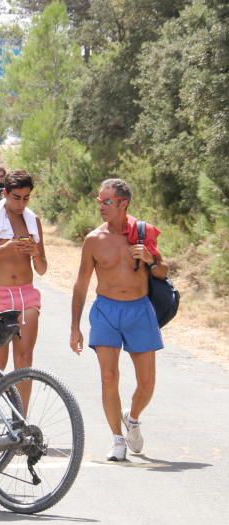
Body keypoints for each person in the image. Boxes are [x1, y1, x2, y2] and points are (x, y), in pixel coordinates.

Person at [71, 178, 167, 462]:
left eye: (107, 202)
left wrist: (150, 259)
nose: (101, 206)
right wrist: (74, 326)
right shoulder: (93, 240)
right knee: (108, 375)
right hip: (106, 311)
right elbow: (80, 284)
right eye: (99, 201)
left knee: (147, 382)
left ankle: (133, 418)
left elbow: (163, 272)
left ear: (123, 203)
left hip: (139, 310)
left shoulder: (142, 231)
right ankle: (116, 439)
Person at [0, 170, 47, 413]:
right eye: (16, 197)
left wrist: (35, 252)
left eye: (26, 198)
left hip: (26, 294)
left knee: (24, 360)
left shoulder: (33, 221)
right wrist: (5, 249)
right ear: (4, 193)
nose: (21, 203)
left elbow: (42, 268)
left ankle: (21, 420)